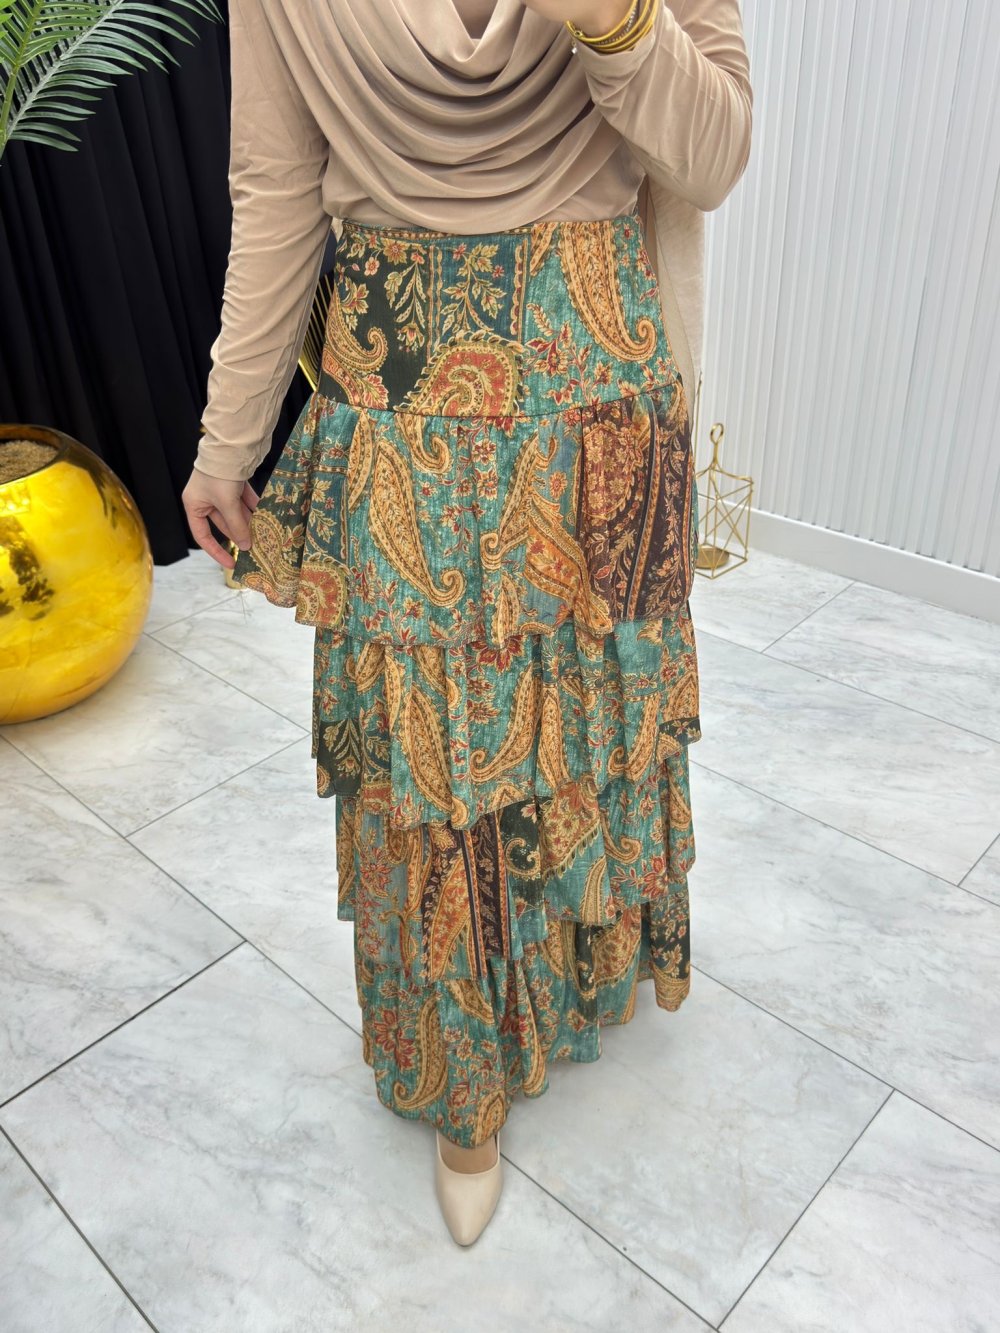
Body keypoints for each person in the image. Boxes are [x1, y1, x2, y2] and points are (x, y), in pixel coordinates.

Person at [181, 0, 752, 1247]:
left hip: (597, 385)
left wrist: (612, 21)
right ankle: (462, 1090)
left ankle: (581, 976)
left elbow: (711, 158)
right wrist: (230, 437)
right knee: (434, 768)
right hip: (403, 409)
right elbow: (277, 195)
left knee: (590, 730)